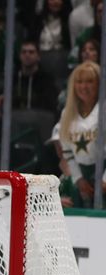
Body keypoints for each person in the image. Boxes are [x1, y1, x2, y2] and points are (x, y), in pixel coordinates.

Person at [59, 61, 106, 208]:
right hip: (81, 174)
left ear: (99, 84)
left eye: (89, 81)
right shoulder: (67, 113)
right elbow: (67, 152)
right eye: (79, 82)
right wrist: (79, 179)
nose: (84, 87)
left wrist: (105, 181)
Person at [0, 41, 58, 120]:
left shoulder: (46, 79)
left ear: (38, 56)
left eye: (31, 52)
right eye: (23, 52)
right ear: (20, 56)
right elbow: (0, 95)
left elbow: (51, 106)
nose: (27, 55)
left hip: (38, 121)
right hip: (15, 122)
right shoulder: (13, 78)